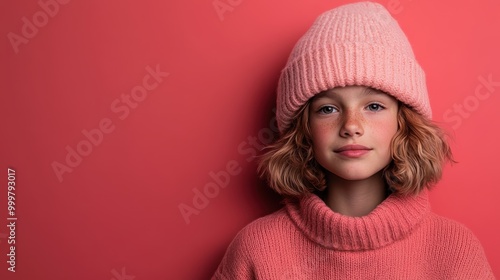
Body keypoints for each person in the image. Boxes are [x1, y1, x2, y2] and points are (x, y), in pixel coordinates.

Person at [212, 2, 495, 279]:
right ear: (304, 128)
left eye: (373, 106)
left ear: (404, 121)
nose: (351, 126)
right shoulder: (257, 250)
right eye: (328, 109)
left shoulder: (455, 250)